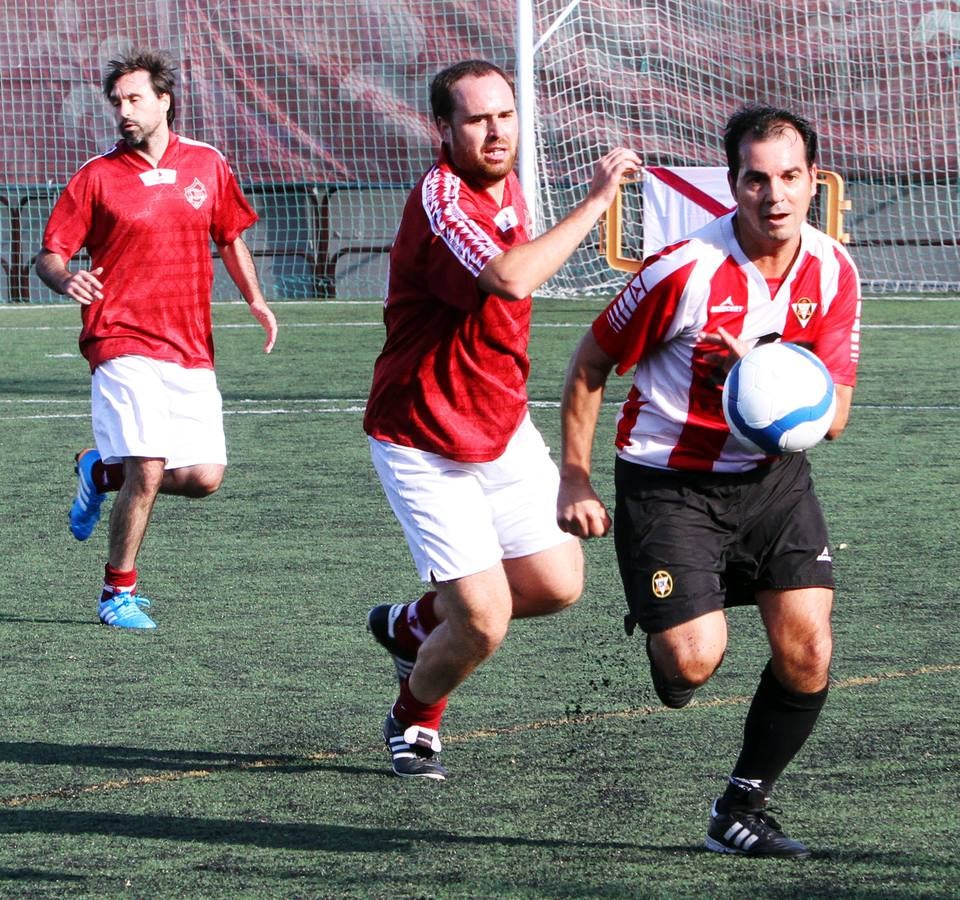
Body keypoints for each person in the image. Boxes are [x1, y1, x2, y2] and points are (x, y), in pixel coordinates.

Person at [557, 104, 861, 857]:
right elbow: (590, 363)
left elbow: (837, 417)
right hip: (670, 483)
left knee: (809, 650)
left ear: (813, 182)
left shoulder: (833, 270)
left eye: (790, 177)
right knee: (690, 664)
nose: (775, 196)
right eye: (756, 180)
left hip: (773, 479)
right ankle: (676, 619)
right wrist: (573, 478)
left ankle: (741, 807)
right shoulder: (682, 269)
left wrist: (762, 376)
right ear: (732, 184)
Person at [363, 59, 641, 780]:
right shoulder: (442, 198)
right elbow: (511, 277)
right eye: (477, 119)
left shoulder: (507, 182)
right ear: (444, 129)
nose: (495, 131)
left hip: (500, 424)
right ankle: (412, 717)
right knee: (484, 623)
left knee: (556, 585)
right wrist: (598, 201)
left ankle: (414, 624)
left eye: (506, 115)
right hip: (422, 436)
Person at [37, 48, 277, 630]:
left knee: (202, 478)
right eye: (116, 101)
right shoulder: (96, 176)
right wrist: (66, 276)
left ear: (164, 99)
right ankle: (116, 592)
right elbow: (49, 255)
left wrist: (255, 300)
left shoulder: (208, 164)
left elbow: (230, 237)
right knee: (148, 463)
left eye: (134, 98)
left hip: (188, 343)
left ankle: (99, 471)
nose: (123, 110)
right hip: (117, 335)